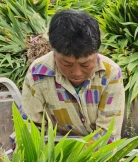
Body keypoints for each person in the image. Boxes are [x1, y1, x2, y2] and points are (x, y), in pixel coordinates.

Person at [19, 9, 125, 143]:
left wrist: (76, 158)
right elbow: (28, 124)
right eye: (66, 64)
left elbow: (107, 135)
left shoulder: (110, 74)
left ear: (97, 52)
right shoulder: (38, 73)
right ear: (53, 51)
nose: (77, 73)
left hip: (97, 153)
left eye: (85, 64)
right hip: (53, 150)